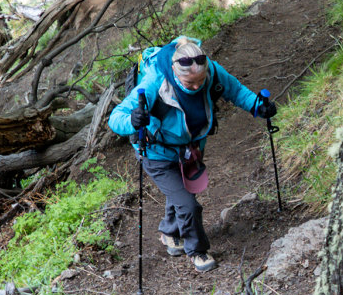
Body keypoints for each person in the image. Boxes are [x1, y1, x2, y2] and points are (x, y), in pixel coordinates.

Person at [109, 36, 276, 272]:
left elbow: (237, 91)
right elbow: (116, 117)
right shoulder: (156, 79)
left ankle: (169, 232)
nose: (197, 87)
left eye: (200, 81)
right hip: (156, 152)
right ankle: (197, 250)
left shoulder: (213, 71)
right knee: (188, 204)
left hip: (190, 149)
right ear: (176, 74)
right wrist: (132, 121)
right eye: (190, 83)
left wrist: (259, 106)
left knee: (178, 193)